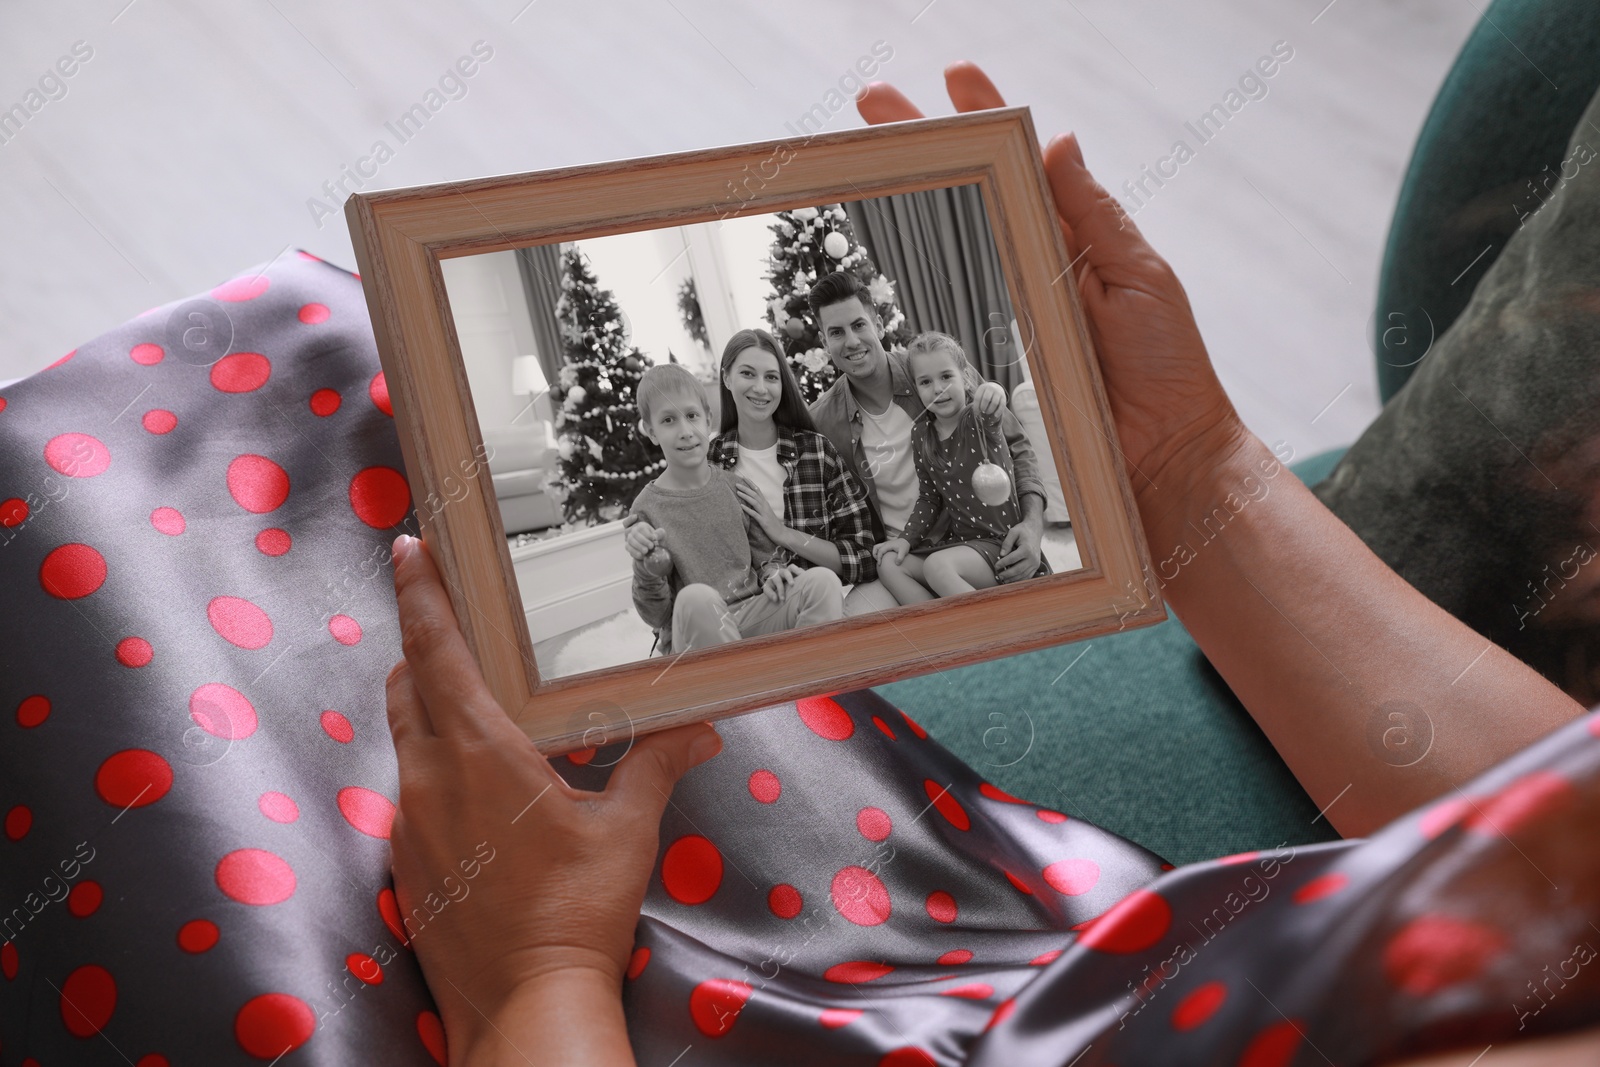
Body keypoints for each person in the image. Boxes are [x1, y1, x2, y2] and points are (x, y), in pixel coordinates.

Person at [380, 63, 1597, 1065]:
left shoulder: (897, 416)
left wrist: (526, 989)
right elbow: (1562, 862)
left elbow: (822, 533)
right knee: (360, 384)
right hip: (1092, 953)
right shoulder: (736, 454)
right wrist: (1188, 474)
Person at [804, 270, 1050, 614]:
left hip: (972, 540)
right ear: (824, 340)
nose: (852, 342)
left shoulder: (933, 370)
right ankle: (954, 627)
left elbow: (1016, 446)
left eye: (859, 325)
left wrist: (1033, 526)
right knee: (851, 619)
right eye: (836, 332)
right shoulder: (822, 421)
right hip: (906, 556)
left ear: (877, 321)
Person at [624, 363, 843, 654]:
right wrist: (644, 568)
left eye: (691, 416)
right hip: (697, 632)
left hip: (751, 615)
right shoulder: (646, 508)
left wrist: (774, 572)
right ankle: (752, 693)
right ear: (652, 433)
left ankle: (805, 684)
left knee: (822, 582)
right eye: (668, 421)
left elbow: (766, 558)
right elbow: (657, 615)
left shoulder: (734, 486)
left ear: (708, 420)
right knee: (696, 598)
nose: (686, 431)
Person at [875, 330, 1051, 604]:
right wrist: (906, 539)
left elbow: (991, 404)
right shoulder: (921, 434)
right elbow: (929, 498)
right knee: (889, 563)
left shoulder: (977, 418)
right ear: (916, 388)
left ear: (965, 377)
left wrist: (993, 391)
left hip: (1003, 547)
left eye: (946, 377)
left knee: (937, 566)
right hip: (962, 545)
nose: (938, 389)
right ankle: (944, 628)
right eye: (925, 382)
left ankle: (992, 629)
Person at [705, 328, 878, 588]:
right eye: (747, 374)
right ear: (727, 378)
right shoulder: (711, 462)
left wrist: (783, 533)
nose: (761, 388)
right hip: (756, 609)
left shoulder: (816, 452)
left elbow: (863, 556)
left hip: (827, 596)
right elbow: (708, 557)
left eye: (772, 377)